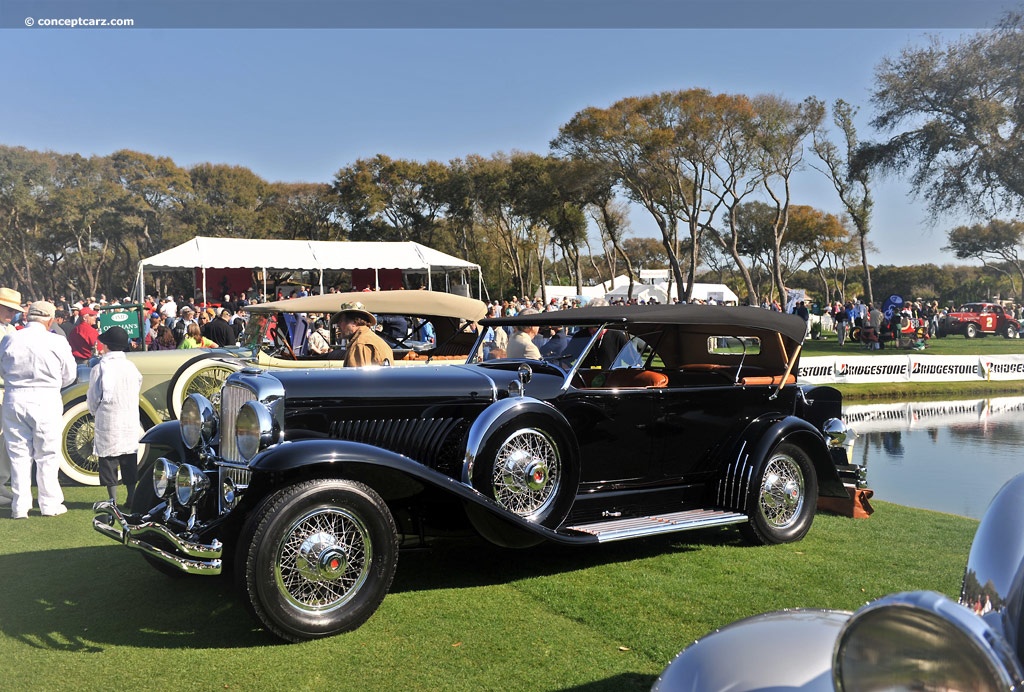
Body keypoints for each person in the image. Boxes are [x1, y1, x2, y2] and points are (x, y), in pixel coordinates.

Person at [0, 301, 77, 518]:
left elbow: (2, 369)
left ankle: (20, 505)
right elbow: (69, 375)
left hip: (15, 397)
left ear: (28, 317)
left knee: (18, 454)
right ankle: (49, 503)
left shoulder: (10, 338)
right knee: (47, 454)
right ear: (50, 320)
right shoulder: (57, 341)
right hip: (46, 398)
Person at [87, 326, 142, 507]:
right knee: (128, 459)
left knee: (109, 461)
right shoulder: (131, 366)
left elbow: (93, 397)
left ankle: (112, 499)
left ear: (106, 345)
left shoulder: (100, 367)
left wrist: (94, 410)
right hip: (129, 416)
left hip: (109, 417)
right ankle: (132, 496)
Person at [0, 287, 22, 507]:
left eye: (13, 309)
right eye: (7, 308)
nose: (11, 313)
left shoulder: (11, 330)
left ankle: (1, 484)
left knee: (5, 441)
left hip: (8, 391)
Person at [332, 302, 394, 367]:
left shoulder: (359, 345)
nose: (338, 325)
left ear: (354, 322)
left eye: (341, 321)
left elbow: (356, 376)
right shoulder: (376, 340)